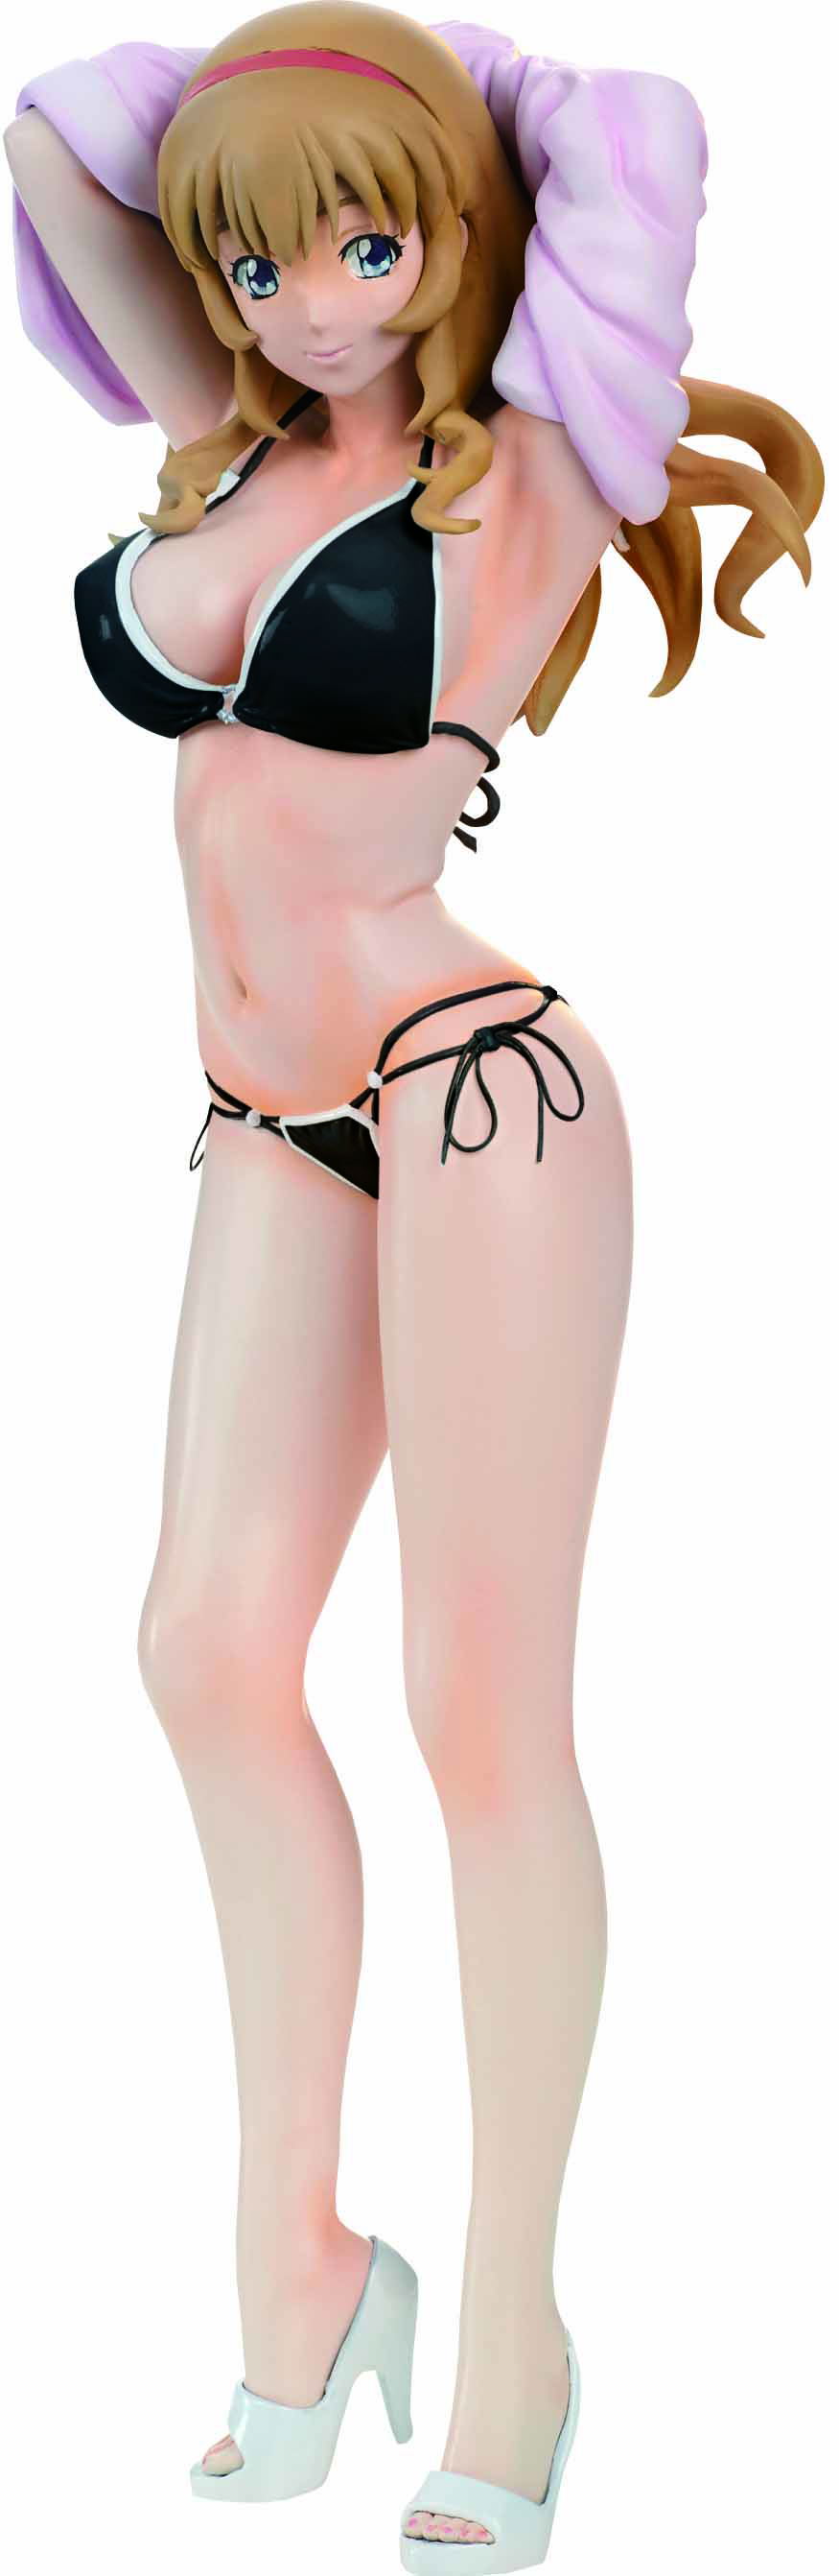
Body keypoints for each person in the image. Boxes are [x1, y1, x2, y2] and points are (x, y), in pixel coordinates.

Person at [5, 7, 823, 2563]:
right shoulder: (233, 439)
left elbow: (645, 129)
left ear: (457, 234)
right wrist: (284, 121)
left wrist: (429, 86)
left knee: (479, 1714)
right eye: (261, 257)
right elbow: (52, 134)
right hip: (273, 1121)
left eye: (366, 242)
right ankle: (302, 2274)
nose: (309, 295)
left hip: (479, 1102)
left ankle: (512, 2345)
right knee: (200, 1652)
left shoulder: (538, 467)